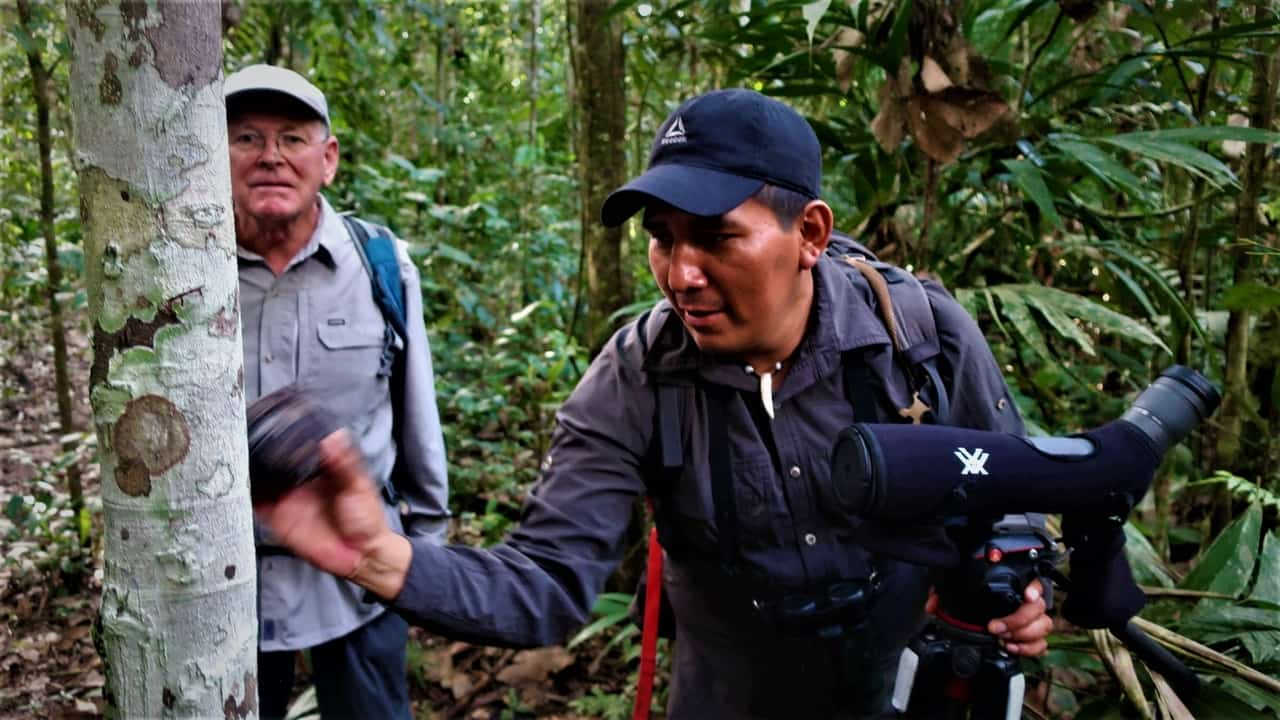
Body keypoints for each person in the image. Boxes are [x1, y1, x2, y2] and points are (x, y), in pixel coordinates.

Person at [256, 89, 1051, 719]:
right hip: (728, 694)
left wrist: (1019, 585)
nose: (680, 274)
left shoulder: (916, 334)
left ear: (809, 232)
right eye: (663, 236)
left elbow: (1014, 488)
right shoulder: (637, 377)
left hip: (907, 684)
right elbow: (547, 583)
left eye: (715, 237)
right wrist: (374, 556)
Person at [225, 64, 450, 720]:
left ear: (327, 159)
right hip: (219, 585)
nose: (270, 155)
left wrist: (424, 564)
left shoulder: (380, 262)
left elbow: (416, 416)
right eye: (245, 138)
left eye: (292, 138)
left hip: (356, 573)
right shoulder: (180, 271)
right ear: (214, 157)